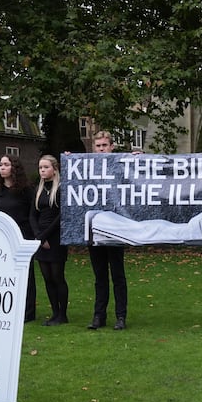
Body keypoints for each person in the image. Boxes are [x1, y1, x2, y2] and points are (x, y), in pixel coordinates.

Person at [87, 130, 128, 330]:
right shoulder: (86, 167)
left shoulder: (121, 165)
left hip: (116, 227)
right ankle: (99, 316)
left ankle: (121, 316)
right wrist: (68, 161)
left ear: (112, 146)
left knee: (118, 275)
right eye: (98, 146)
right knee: (100, 275)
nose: (101, 149)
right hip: (96, 227)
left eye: (104, 145)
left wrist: (138, 158)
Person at [0, 154, 37, 323]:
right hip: (3, 238)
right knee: (5, 274)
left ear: (14, 168)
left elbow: (32, 212)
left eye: (6, 164)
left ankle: (28, 311)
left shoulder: (26, 190)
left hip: (23, 236)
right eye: (0, 164)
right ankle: (9, 308)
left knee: (26, 275)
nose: (2, 167)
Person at [30, 155, 69, 326]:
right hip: (41, 238)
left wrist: (45, 235)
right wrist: (38, 236)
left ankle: (62, 314)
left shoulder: (61, 188)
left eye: (46, 167)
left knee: (57, 276)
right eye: (40, 168)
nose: (42, 170)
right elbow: (32, 215)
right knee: (46, 277)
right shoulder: (38, 190)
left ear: (54, 169)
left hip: (56, 237)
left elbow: (62, 216)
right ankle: (54, 312)